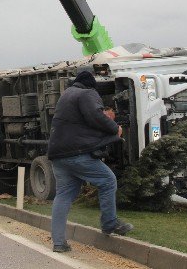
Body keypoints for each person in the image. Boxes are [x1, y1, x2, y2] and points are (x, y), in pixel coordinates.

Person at [47, 70, 133, 253]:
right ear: (91, 84)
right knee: (108, 180)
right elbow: (95, 116)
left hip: (57, 155)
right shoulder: (87, 93)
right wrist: (115, 128)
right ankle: (109, 224)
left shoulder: (67, 94)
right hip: (75, 153)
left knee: (63, 195)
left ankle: (59, 242)